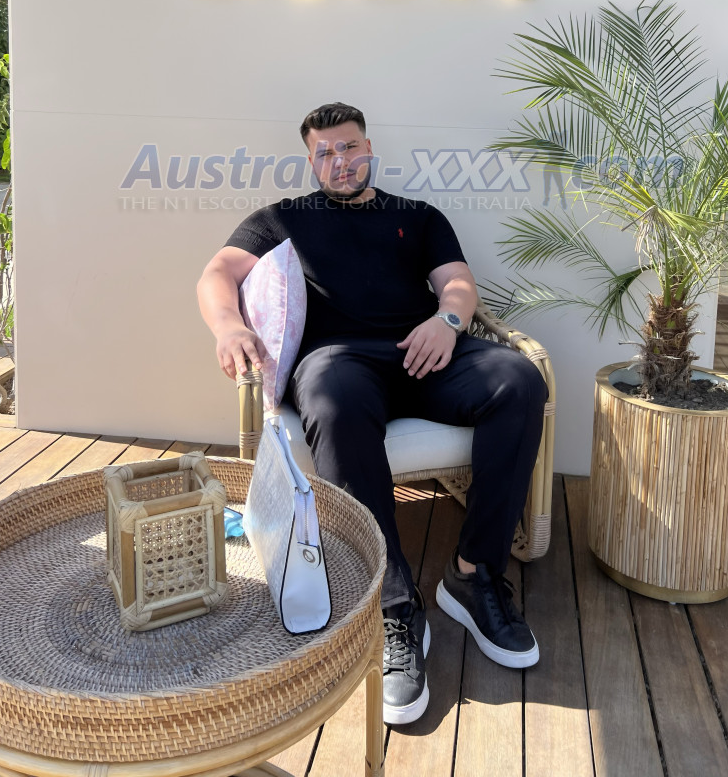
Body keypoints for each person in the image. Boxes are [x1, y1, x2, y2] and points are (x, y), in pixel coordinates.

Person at [197, 102, 546, 726]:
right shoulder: (283, 218)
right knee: (333, 401)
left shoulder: (418, 215)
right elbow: (218, 272)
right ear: (312, 161)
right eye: (325, 152)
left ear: (369, 149)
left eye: (350, 146)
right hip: (340, 361)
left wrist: (448, 321)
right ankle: (392, 605)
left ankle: (474, 575)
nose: (340, 160)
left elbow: (458, 283)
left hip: (424, 350)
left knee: (519, 380)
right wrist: (228, 327)